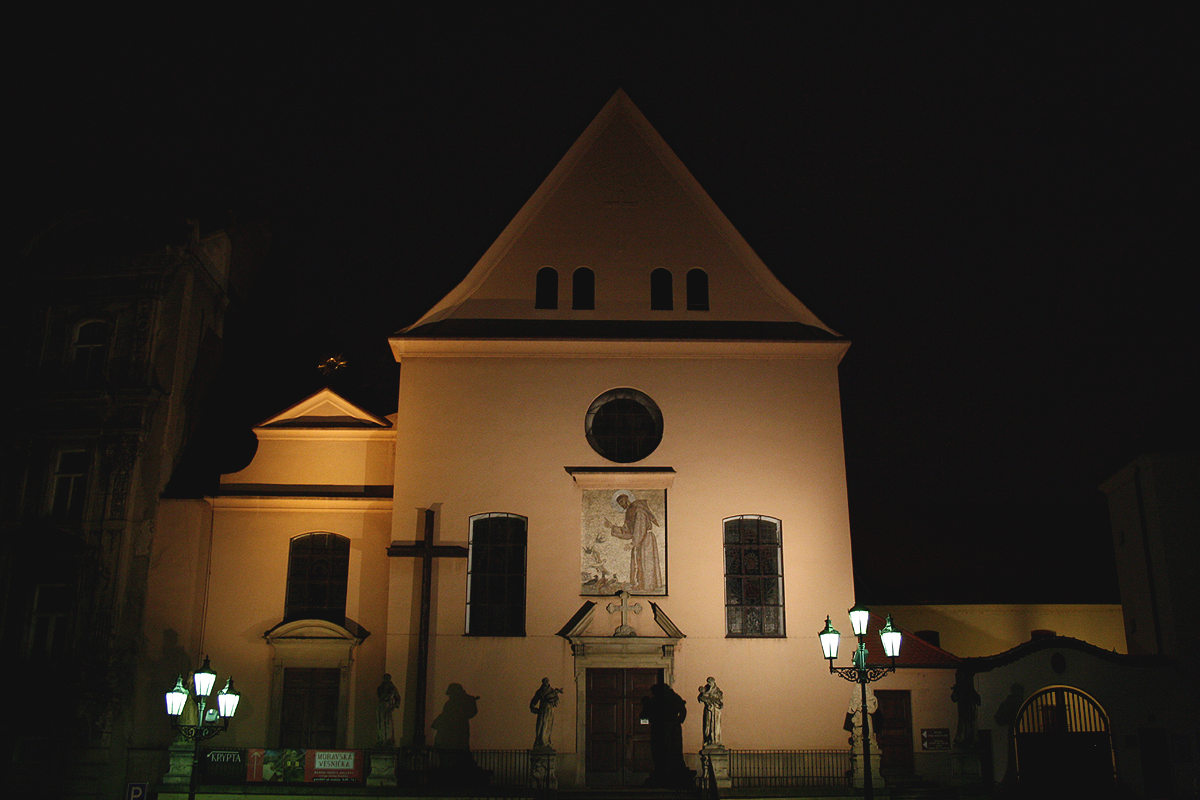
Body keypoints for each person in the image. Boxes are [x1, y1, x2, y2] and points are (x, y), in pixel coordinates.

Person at [609, 491, 662, 592]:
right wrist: (612, 527)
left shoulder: (638, 508)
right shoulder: (630, 511)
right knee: (639, 561)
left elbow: (640, 526)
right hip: (639, 539)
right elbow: (628, 531)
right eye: (619, 504)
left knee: (646, 561)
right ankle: (640, 585)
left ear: (626, 500)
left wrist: (633, 543)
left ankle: (647, 586)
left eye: (621, 502)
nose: (621, 505)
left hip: (646, 539)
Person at [529, 677, 562, 749]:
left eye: (547, 681)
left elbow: (557, 702)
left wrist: (554, 701)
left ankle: (546, 741)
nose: (546, 682)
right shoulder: (539, 691)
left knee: (547, 725)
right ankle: (539, 741)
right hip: (542, 709)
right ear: (543, 682)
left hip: (549, 710)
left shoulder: (552, 691)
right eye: (545, 681)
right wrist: (532, 707)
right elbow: (534, 700)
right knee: (540, 725)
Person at [376, 674, 402, 747]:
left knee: (388, 723)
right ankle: (381, 739)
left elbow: (398, 698)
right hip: (381, 706)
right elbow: (379, 696)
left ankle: (388, 740)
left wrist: (394, 706)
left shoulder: (393, 688)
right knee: (380, 722)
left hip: (388, 705)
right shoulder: (380, 688)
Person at [698, 677, 724, 747]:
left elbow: (720, 701)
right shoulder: (706, 689)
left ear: (713, 682)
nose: (709, 684)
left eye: (710, 682)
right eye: (708, 682)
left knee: (715, 726)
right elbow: (700, 698)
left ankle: (715, 740)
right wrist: (703, 695)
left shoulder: (717, 691)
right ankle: (708, 740)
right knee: (707, 726)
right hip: (708, 711)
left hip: (715, 711)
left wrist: (711, 700)